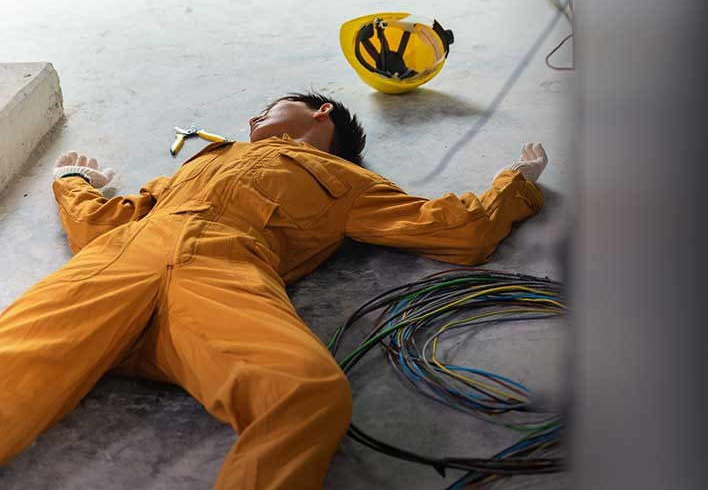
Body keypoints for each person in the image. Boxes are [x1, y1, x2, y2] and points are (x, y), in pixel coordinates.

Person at [0, 92, 548, 489]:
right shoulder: (206, 159)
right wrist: (73, 185)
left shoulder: (348, 181)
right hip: (120, 262)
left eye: (269, 107)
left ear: (322, 111)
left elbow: (455, 229)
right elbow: (104, 225)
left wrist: (515, 185)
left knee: (305, 394)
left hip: (223, 279)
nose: (251, 117)